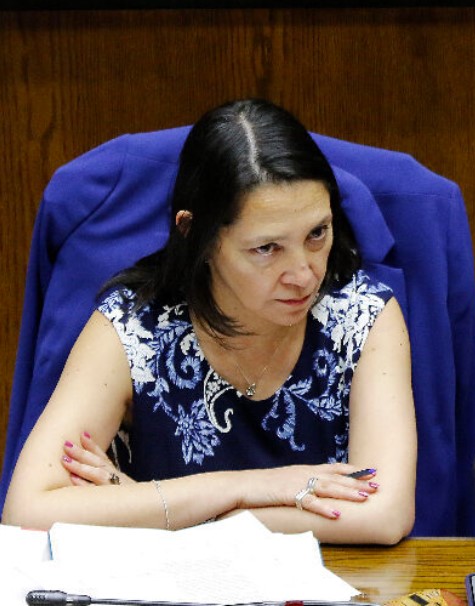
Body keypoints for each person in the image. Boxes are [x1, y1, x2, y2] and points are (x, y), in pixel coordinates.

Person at [1, 99, 417, 545]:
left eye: (317, 233)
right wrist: (247, 487)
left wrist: (148, 505)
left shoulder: (362, 315)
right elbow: (27, 511)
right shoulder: (133, 328)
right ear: (194, 233)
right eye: (267, 248)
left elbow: (384, 516)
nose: (303, 274)